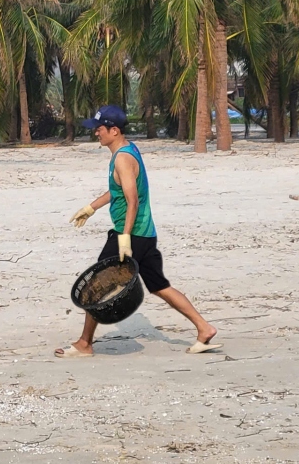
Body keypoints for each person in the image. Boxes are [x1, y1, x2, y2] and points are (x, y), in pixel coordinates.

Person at [56, 105, 220, 358]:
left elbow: (132, 200)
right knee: (159, 285)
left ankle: (84, 344)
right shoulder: (128, 150)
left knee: (95, 286)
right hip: (145, 233)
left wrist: (124, 237)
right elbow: (119, 190)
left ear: (113, 130)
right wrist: (91, 207)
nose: (95, 134)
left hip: (131, 234)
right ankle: (204, 328)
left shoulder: (122, 158)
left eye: (99, 129)